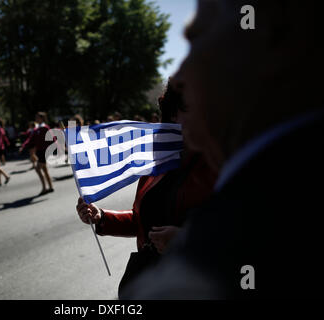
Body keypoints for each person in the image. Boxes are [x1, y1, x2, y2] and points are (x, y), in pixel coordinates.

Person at [123, 0, 324, 299]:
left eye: (195, 39)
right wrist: (101, 218)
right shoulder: (166, 163)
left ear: (271, 33)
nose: (179, 78)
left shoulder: (196, 279)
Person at [76, 82, 217, 297]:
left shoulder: (221, 163)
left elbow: (243, 237)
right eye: (191, 107)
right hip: (150, 281)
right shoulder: (156, 161)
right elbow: (141, 220)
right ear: (173, 114)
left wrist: (185, 240)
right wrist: (102, 217)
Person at [27, 112, 54, 195]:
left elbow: (52, 138)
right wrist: (24, 146)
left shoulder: (45, 127)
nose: (36, 119)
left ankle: (44, 188)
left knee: (38, 169)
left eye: (38, 117)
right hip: (39, 151)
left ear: (42, 119)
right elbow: (32, 139)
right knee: (44, 170)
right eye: (36, 117)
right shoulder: (37, 128)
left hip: (44, 151)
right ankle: (50, 187)